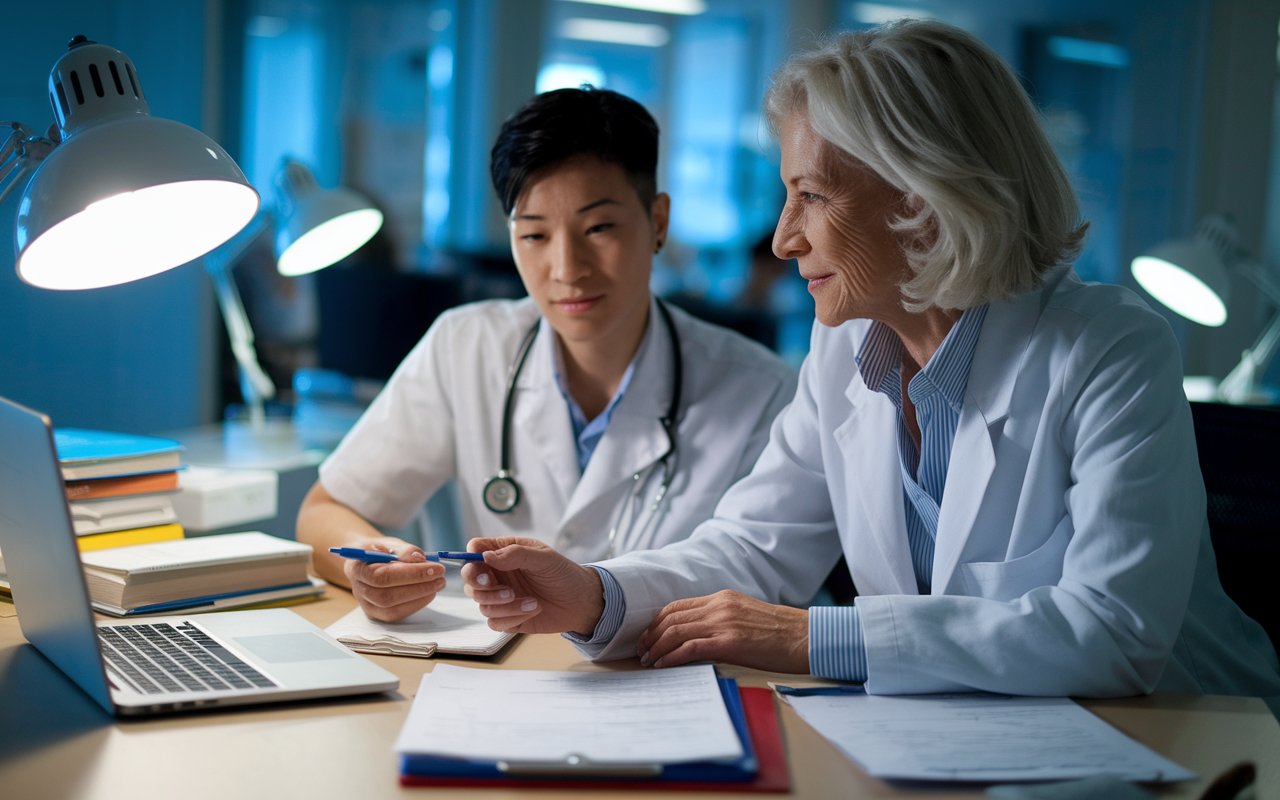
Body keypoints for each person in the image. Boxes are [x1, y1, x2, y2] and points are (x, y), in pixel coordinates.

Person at [460, 20, 1280, 700]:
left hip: (1184, 743)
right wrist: (595, 593)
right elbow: (754, 548)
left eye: (810, 196)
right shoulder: (847, 345)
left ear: (923, 198)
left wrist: (814, 637)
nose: (783, 238)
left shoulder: (1107, 349)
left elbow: (1113, 637)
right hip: (961, 744)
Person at [297, 87, 797, 623]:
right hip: (486, 682)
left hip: (661, 683)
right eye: (534, 234)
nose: (566, 268)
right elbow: (326, 510)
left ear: (657, 222)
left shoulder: (761, 390)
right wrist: (370, 564)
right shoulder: (466, 346)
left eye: (599, 227)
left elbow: (766, 583)